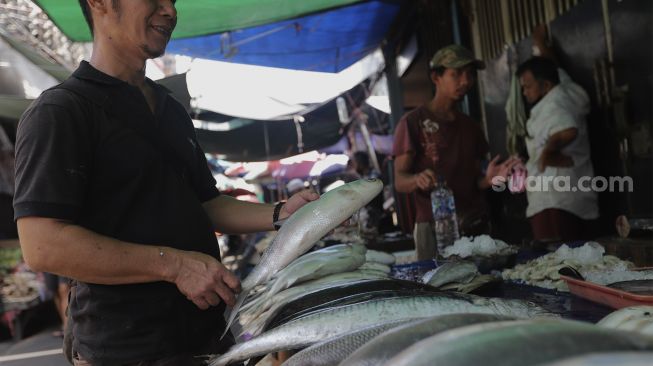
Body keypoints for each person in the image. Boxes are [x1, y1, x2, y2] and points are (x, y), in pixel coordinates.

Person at [13, 1, 318, 365]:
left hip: (207, 335)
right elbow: (42, 245)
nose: (170, 11)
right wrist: (174, 266)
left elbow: (205, 204)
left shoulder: (170, 108)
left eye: (173, 0)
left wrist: (281, 213)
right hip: (125, 349)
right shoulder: (62, 112)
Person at [393, 44, 518, 260]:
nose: (465, 81)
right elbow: (399, 181)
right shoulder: (412, 123)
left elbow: (476, 181)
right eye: (456, 74)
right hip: (434, 227)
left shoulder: (471, 127)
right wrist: (417, 179)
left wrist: (489, 179)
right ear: (436, 77)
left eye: (469, 74)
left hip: (474, 226)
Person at [517, 26, 599, 242]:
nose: (524, 93)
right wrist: (541, 44)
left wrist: (547, 153)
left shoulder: (554, 105)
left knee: (559, 266)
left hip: (553, 202)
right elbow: (554, 68)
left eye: (527, 87)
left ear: (545, 85)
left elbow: (567, 130)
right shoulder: (567, 91)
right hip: (576, 198)